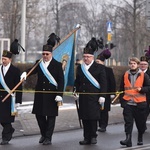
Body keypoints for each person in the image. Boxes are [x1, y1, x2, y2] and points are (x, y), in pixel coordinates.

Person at [21, 44, 64, 145]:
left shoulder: (57, 65)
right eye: (43, 54)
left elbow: (61, 81)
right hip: (40, 94)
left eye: (47, 54)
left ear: (51, 54)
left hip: (52, 95)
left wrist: (60, 94)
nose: (45, 56)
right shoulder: (39, 63)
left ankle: (48, 137)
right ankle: (43, 134)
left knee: (50, 117)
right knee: (39, 115)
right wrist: (25, 73)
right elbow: (32, 70)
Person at [74, 38, 107, 145]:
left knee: (93, 117)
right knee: (84, 117)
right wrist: (75, 91)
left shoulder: (99, 68)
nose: (86, 58)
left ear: (92, 57)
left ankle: (93, 136)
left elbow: (103, 83)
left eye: (88, 57)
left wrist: (102, 96)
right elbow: (77, 82)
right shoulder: (80, 68)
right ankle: (86, 137)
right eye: (84, 57)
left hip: (94, 97)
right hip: (83, 97)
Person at [119, 57, 150, 147]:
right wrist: (122, 101)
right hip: (128, 103)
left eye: (134, 63)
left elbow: (148, 87)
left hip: (140, 103)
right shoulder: (125, 74)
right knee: (128, 122)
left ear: (137, 65)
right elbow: (121, 89)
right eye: (131, 63)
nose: (132, 65)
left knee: (140, 123)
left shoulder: (144, 75)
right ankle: (128, 139)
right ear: (129, 64)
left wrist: (142, 89)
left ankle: (140, 137)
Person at [0, 50, 22, 145]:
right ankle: (10, 129)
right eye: (2, 59)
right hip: (0, 98)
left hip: (9, 99)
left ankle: (5, 138)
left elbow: (19, 87)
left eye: (5, 59)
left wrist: (18, 101)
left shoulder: (15, 71)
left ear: (10, 59)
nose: (3, 61)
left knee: (6, 119)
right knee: (1, 118)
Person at [96, 52, 116, 132]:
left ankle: (103, 125)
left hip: (106, 93)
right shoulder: (94, 70)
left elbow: (112, 82)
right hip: (96, 93)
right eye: (96, 62)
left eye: (98, 62)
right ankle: (99, 124)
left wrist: (112, 93)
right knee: (97, 110)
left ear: (102, 62)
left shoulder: (108, 70)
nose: (97, 63)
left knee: (104, 111)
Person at [139, 56, 150, 129]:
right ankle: (142, 124)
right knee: (141, 111)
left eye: (145, 64)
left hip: (148, 94)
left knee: (146, 110)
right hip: (139, 95)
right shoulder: (136, 72)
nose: (143, 66)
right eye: (141, 64)